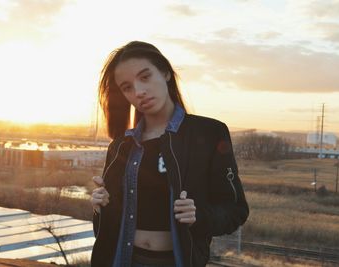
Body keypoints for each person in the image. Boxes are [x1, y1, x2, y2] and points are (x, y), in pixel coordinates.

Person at [90, 41, 249, 267]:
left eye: (145, 77)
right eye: (127, 87)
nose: (139, 92)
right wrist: (100, 207)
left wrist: (199, 216)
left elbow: (236, 210)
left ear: (165, 72)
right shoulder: (120, 146)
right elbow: (105, 229)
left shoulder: (209, 133)